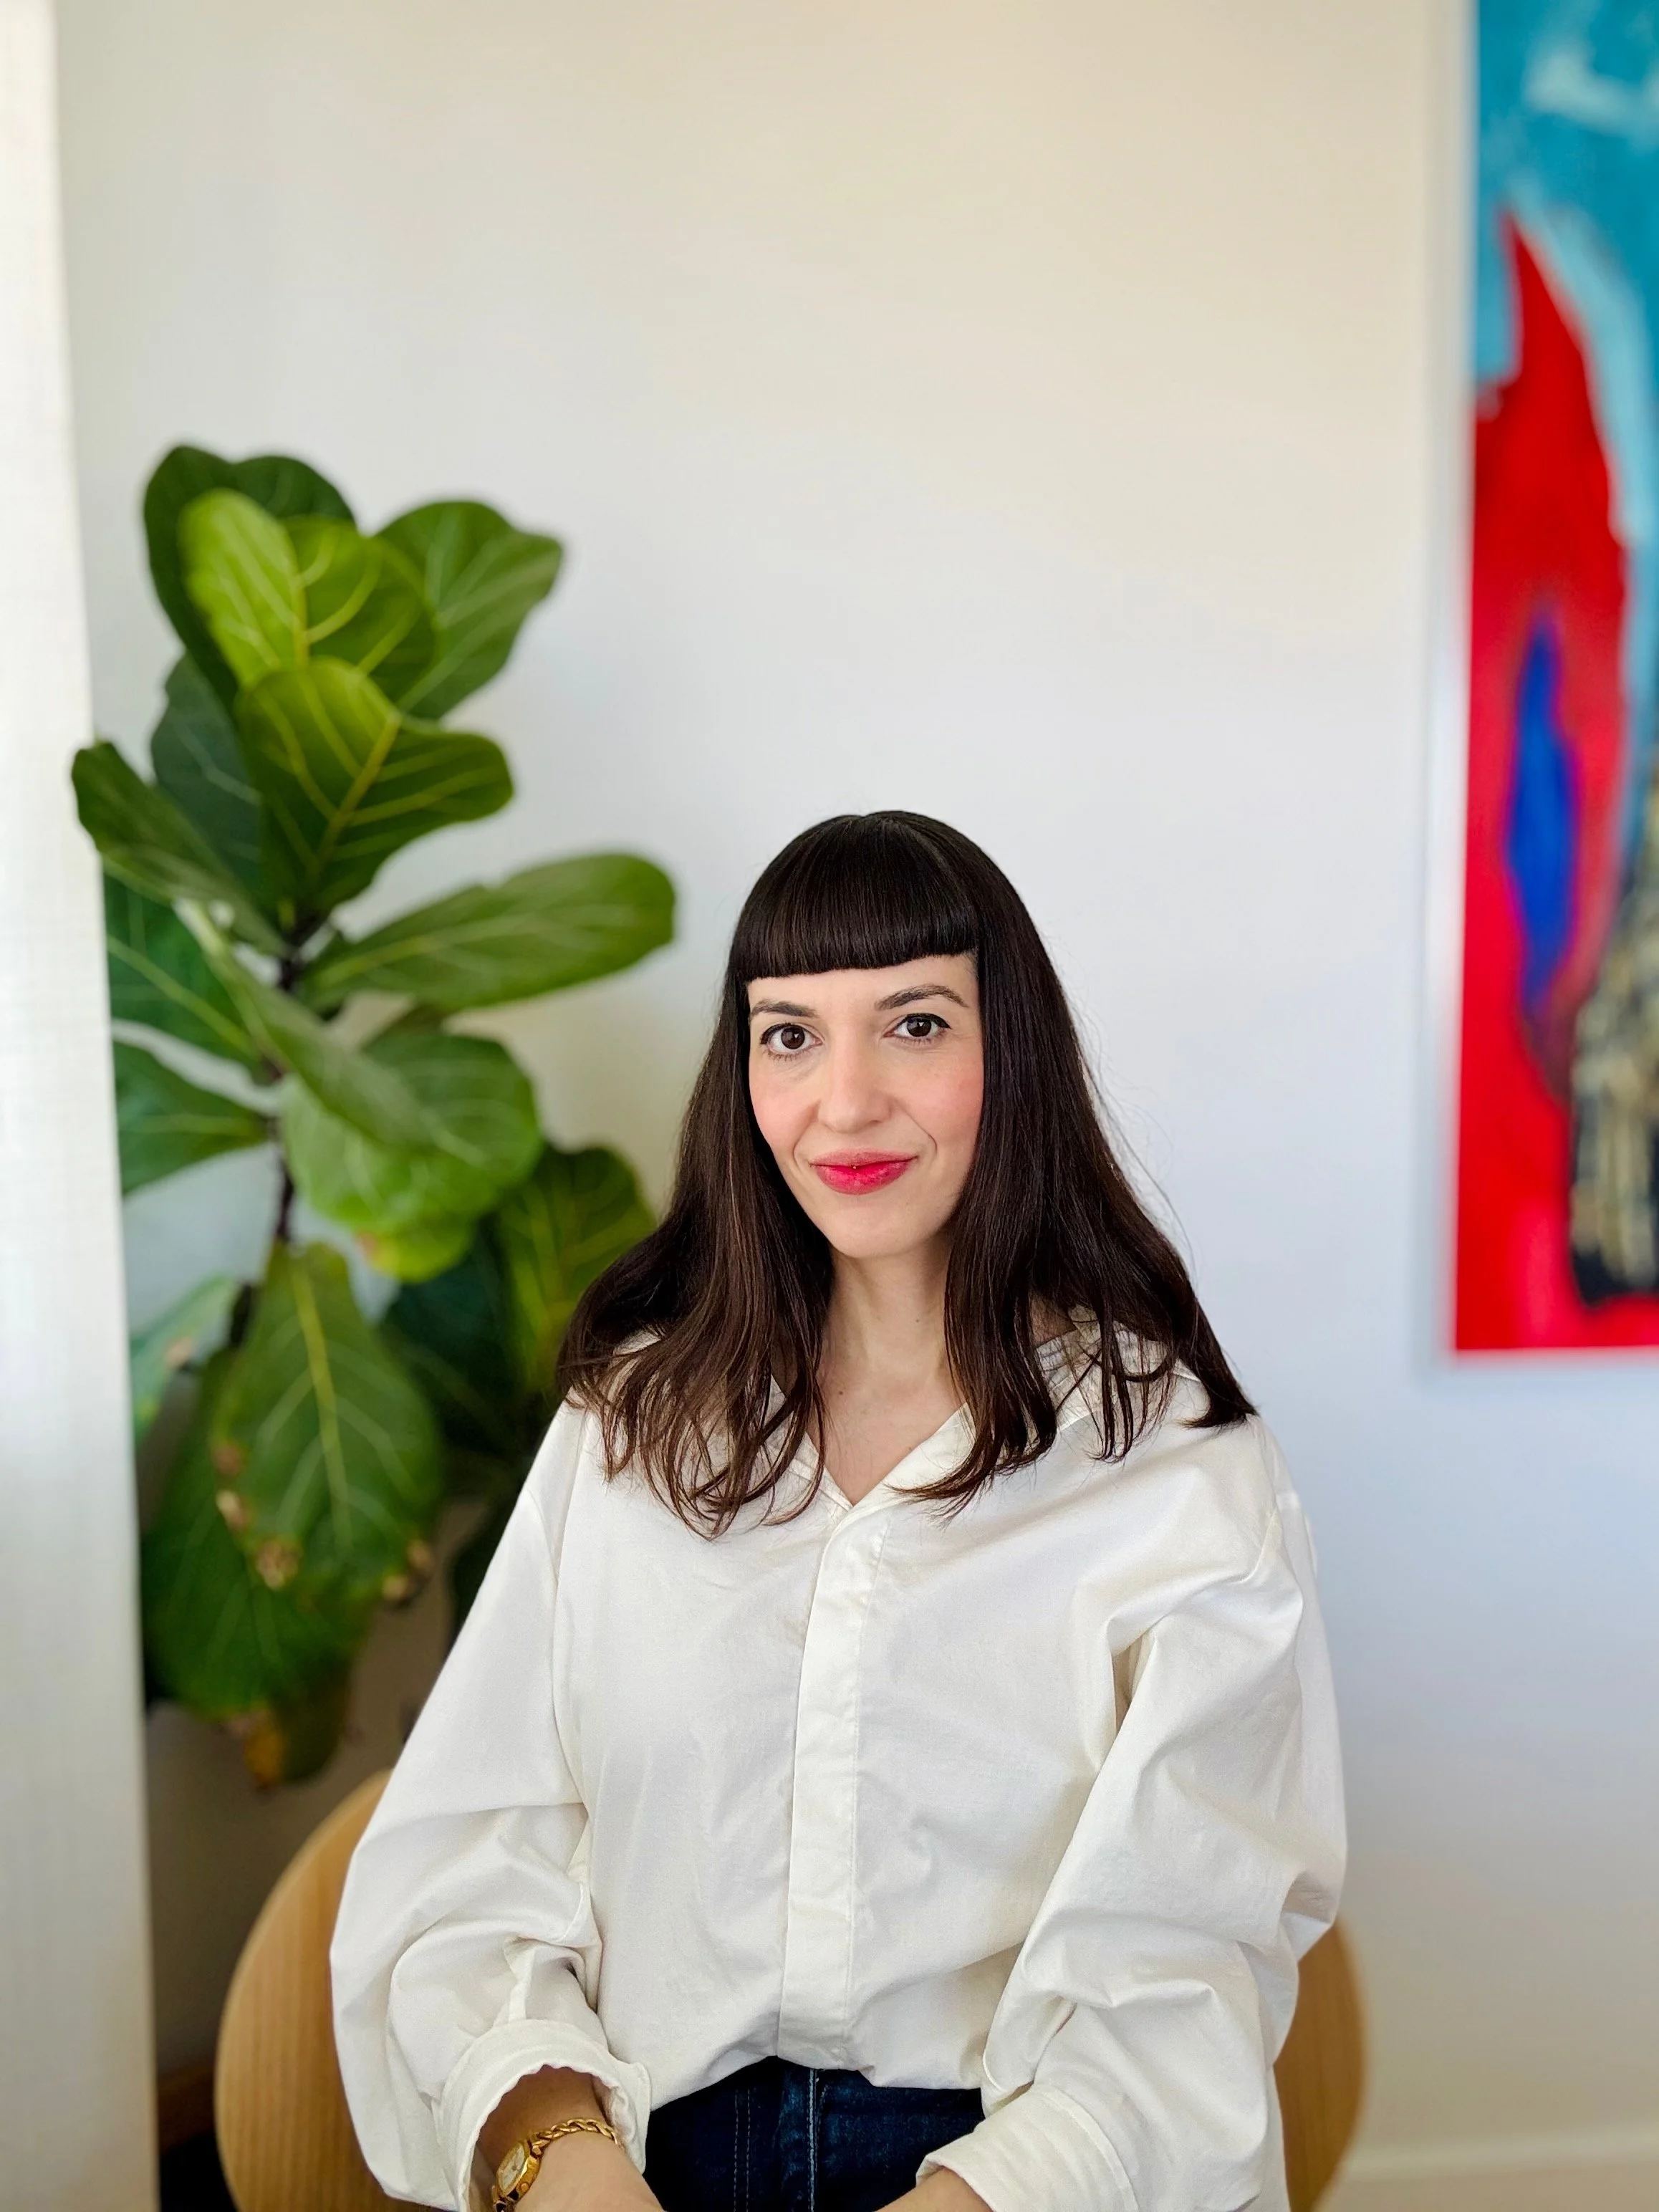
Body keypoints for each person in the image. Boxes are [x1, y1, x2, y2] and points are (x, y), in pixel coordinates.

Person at [332, 811, 1344, 2212]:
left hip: (1021, 2170)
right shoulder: (624, 1434)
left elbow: (1185, 1973)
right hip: (632, 2155)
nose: (845, 1100)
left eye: (915, 1023)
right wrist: (562, 2164)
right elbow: (464, 1870)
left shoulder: (1178, 1469)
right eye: (789, 1034)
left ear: (1015, 1054)